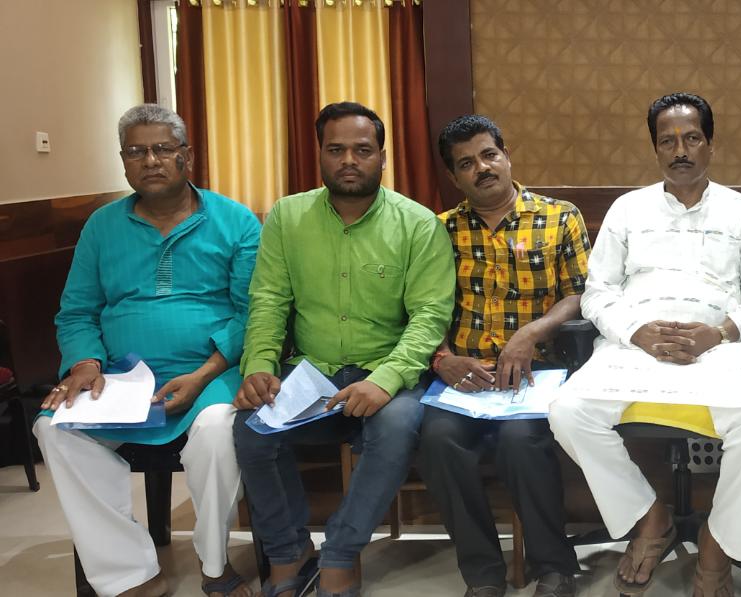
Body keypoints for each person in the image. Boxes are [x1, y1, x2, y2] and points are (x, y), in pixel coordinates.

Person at [548, 92, 741, 597]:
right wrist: (634, 331)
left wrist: (719, 331)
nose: (680, 150)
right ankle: (651, 518)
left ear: (711, 145)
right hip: (636, 348)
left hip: (718, 348)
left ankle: (718, 544)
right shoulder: (627, 209)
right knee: (568, 412)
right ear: (655, 148)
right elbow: (598, 293)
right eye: (667, 141)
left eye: (692, 138)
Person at [34, 104, 259, 597]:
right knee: (54, 431)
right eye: (136, 152)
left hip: (210, 373)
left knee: (218, 433)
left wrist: (204, 374)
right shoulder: (101, 226)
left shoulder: (235, 221)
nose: (150, 160)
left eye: (162, 149)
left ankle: (215, 564)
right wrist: (85, 363)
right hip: (119, 377)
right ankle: (129, 571)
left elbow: (253, 313)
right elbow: (76, 310)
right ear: (123, 162)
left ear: (187, 157)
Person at [232, 102, 455, 597]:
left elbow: (429, 318)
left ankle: (339, 553)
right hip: (312, 372)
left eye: (362, 150)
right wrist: (260, 365)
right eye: (336, 150)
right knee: (251, 429)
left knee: (396, 426)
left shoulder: (418, 224)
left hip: (388, 370)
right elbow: (268, 301)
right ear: (320, 154)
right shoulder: (288, 217)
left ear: (382, 158)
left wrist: (384, 381)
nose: (349, 160)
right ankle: (289, 552)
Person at [417, 115, 590, 597]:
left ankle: (553, 567)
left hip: (537, 373)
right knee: (437, 441)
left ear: (507, 156)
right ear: (454, 177)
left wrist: (531, 332)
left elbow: (581, 294)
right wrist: (442, 357)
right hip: (463, 377)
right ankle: (483, 575)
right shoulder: (438, 230)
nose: (482, 168)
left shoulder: (559, 216)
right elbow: (419, 307)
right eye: (466, 164)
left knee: (521, 442)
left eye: (489, 155)